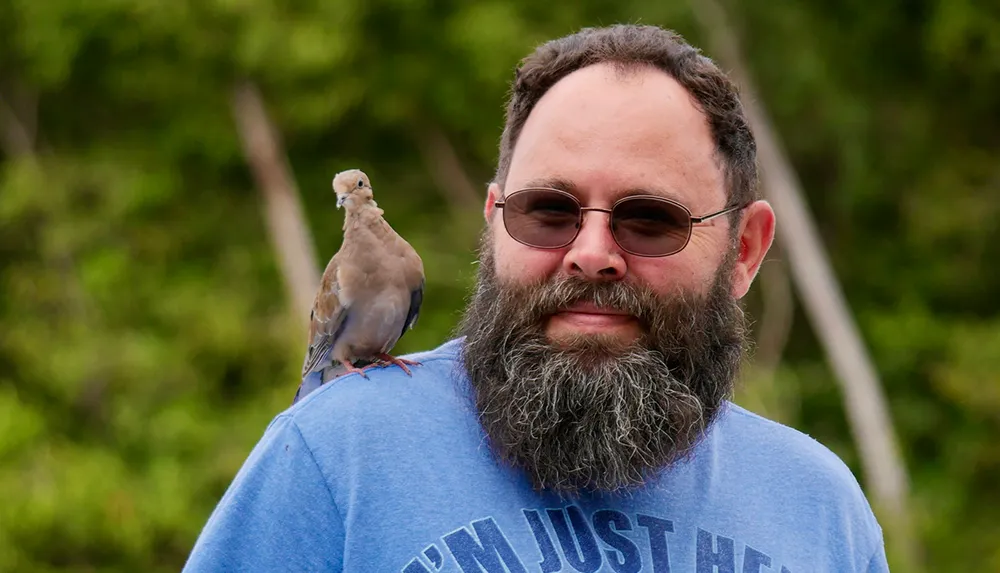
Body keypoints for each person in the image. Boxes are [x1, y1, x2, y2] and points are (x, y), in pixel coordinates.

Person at [183, 24, 890, 572]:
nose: (590, 252)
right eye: (548, 211)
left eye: (650, 220)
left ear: (744, 252)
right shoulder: (334, 454)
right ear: (492, 223)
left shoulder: (823, 510)